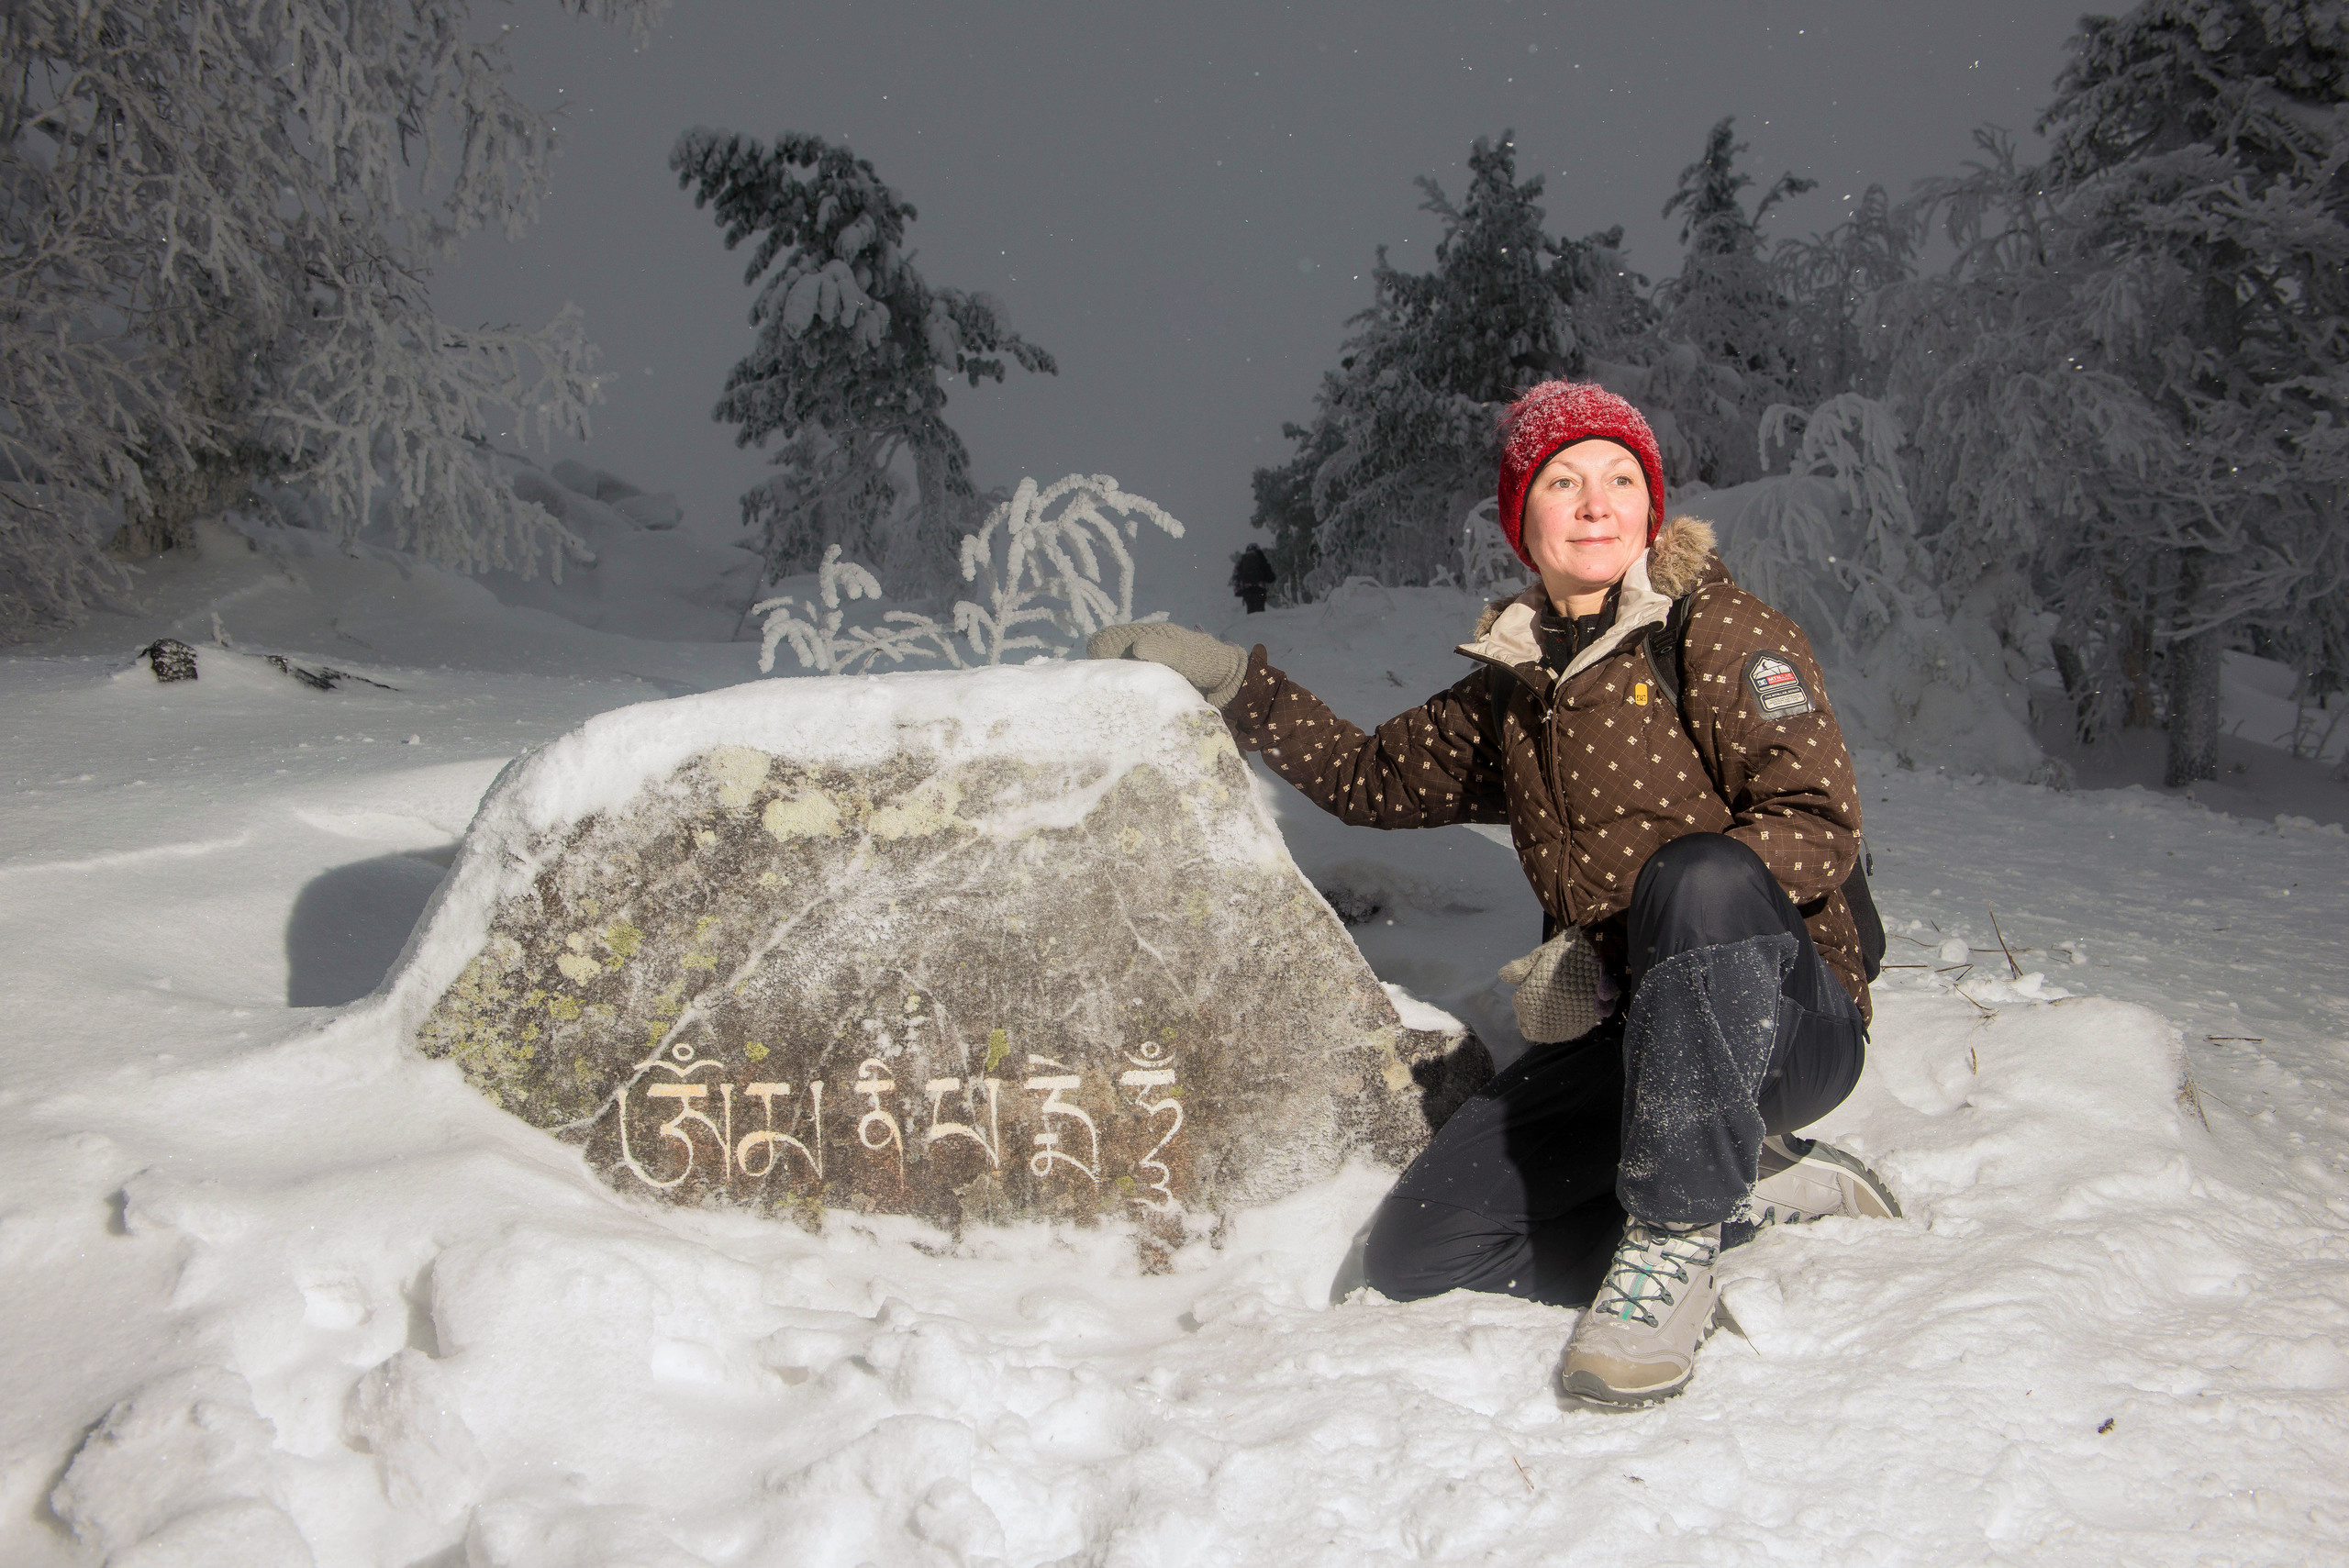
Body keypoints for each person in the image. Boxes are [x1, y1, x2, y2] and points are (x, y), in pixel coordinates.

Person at [1087, 381, 1898, 1407]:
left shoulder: (1720, 630)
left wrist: (1619, 944)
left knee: (1699, 871)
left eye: (1618, 479)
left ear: (1652, 507)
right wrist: (1235, 684)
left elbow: (1817, 825)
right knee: (1420, 1255)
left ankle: (1670, 1236)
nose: (1595, 503)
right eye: (1563, 482)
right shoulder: (1518, 688)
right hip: (1634, 1038)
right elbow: (1372, 778)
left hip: (1783, 1013)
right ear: (1524, 520)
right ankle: (1737, 1192)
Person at [1230, 543, 1276, 613]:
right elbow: (1269, 574)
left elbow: (1235, 575)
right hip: (1260, 589)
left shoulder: (1242, 559)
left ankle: (1252, 622)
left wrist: (1238, 589)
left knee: (1250, 610)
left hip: (1247, 589)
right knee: (1260, 610)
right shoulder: (1260, 557)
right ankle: (1260, 622)